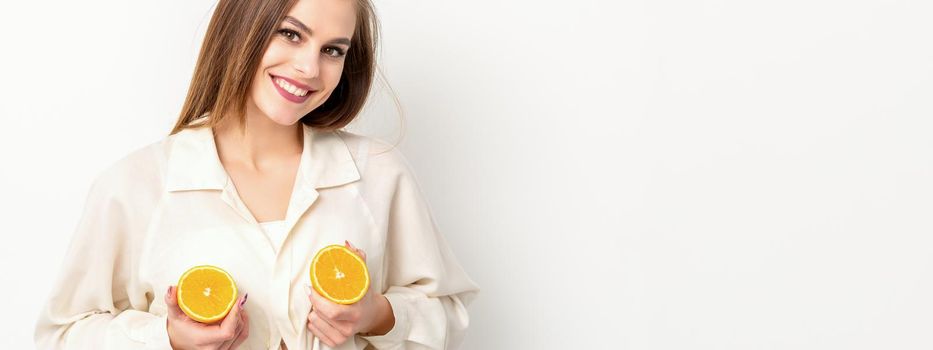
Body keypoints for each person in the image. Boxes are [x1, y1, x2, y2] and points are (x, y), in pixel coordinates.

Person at [32, 0, 481, 349]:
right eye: (290, 34)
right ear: (240, 26)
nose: (309, 69)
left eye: (333, 50)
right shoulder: (134, 185)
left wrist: (378, 315)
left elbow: (448, 314)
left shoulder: (379, 174)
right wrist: (165, 339)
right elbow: (61, 336)